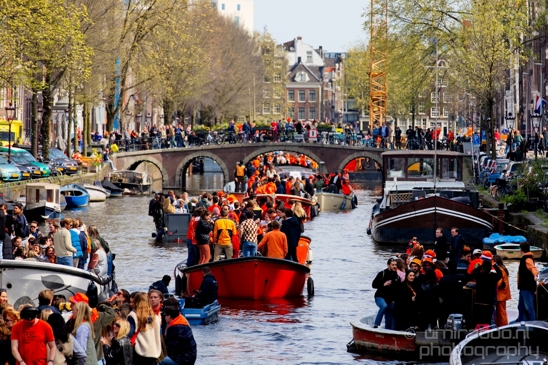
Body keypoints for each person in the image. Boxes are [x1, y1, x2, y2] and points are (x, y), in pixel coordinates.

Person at [127, 293, 162, 365]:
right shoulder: (155, 316)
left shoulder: (133, 315)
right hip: (154, 351)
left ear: (136, 302)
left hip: (140, 351)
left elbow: (129, 333)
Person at [471, 252, 501, 326]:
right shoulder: (493, 277)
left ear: (483, 268)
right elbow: (500, 274)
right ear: (490, 268)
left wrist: (480, 266)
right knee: (488, 321)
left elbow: (473, 272)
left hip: (479, 301)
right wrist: (494, 265)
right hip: (489, 303)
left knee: (478, 320)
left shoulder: (479, 276)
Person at [371, 257, 400, 329]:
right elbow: (373, 285)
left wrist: (394, 300)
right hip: (380, 296)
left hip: (390, 299)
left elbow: (398, 290)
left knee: (391, 310)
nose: (394, 266)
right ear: (388, 265)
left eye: (395, 265)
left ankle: (388, 329)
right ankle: (376, 324)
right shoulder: (382, 273)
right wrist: (383, 284)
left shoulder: (397, 276)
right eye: (392, 265)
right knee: (384, 306)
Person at [516, 242, 539, 322]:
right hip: (523, 288)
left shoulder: (528, 259)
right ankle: (520, 322)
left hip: (527, 287)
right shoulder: (525, 258)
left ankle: (532, 324)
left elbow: (533, 268)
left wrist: (535, 275)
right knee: (520, 307)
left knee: (529, 308)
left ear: (521, 249)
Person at [494, 255, 511, 327]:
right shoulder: (503, 268)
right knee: (502, 311)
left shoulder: (500, 270)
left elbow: (499, 283)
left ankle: (503, 326)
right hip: (503, 294)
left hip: (500, 294)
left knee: (501, 312)